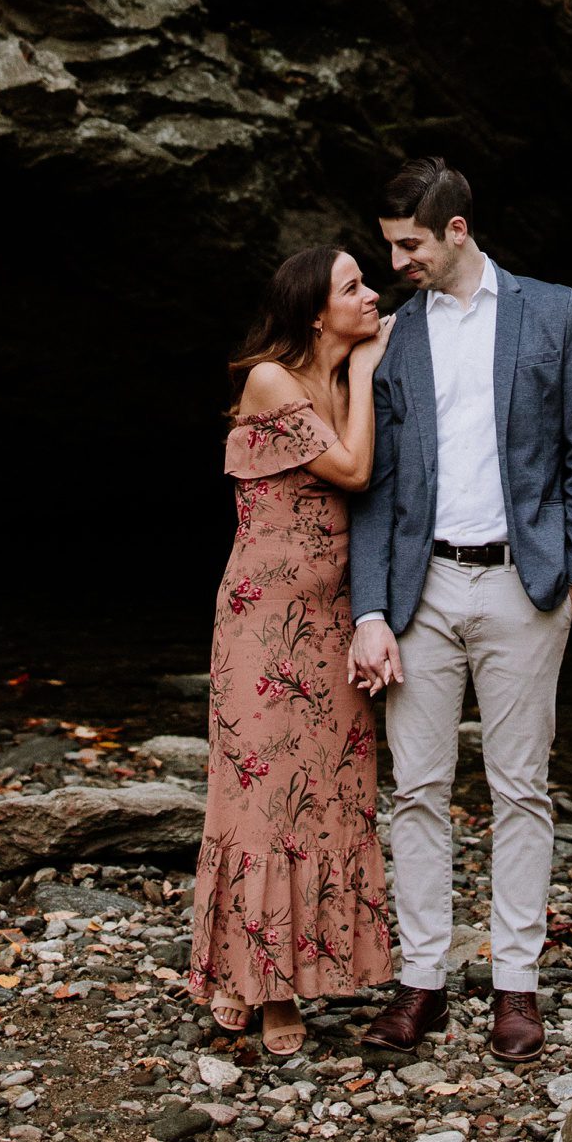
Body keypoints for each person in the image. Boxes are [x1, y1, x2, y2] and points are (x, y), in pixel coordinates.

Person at [347, 156, 572, 1067]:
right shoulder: (394, 335)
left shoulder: (554, 312)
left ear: (456, 230)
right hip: (420, 596)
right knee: (415, 791)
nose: (397, 263)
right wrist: (371, 609)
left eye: (409, 245)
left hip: (523, 589)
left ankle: (516, 988)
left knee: (520, 790)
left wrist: (571, 578)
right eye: (390, 247)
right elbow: (375, 488)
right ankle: (420, 985)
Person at [190, 244, 395, 1058]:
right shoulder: (273, 381)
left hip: (332, 624)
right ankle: (266, 988)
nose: (372, 294)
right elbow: (352, 470)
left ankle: (272, 974)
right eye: (354, 286)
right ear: (316, 311)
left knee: (326, 798)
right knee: (261, 802)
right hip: (262, 627)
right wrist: (371, 374)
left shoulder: (332, 384)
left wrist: (356, 376)